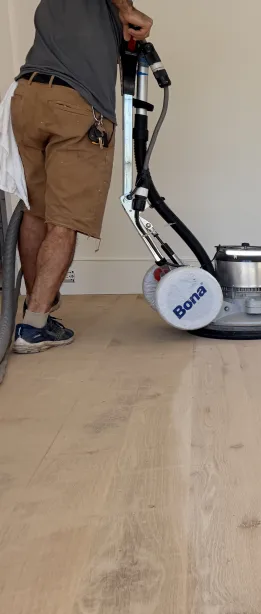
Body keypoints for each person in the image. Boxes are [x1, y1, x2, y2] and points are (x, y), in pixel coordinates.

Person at [10, 0, 153, 354]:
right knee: (64, 221)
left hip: (26, 97)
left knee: (34, 210)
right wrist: (128, 12)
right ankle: (33, 326)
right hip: (75, 104)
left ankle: (37, 309)